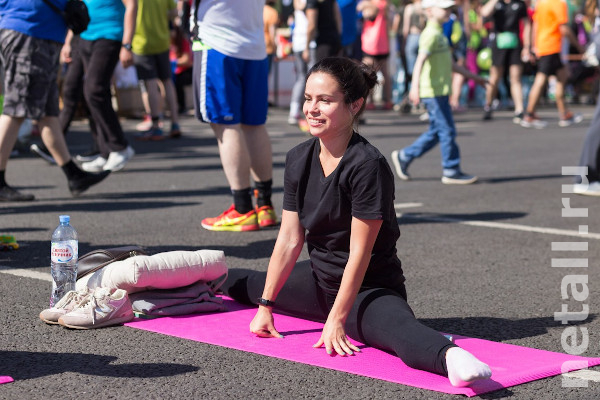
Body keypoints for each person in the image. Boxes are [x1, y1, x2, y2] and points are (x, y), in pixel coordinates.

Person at [221, 57, 492, 387]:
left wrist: (337, 318)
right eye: (308, 98)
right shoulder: (297, 159)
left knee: (398, 333)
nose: (312, 108)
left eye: (325, 100)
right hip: (320, 280)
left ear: (355, 105)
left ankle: (453, 358)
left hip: (369, 287)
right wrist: (266, 305)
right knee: (247, 283)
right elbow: (290, 239)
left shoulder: (368, 166)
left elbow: (359, 254)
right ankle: (191, 277)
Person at [0, 0, 110, 202]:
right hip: (29, 31)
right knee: (16, 110)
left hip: (38, 33)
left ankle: (73, 175)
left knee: (48, 113)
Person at [192, 0, 277, 232]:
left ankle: (242, 209)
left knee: (226, 125)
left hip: (219, 43)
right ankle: (264, 204)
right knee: (254, 125)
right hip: (254, 45)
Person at [391, 0, 486, 185]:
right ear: (429, 11)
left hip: (440, 91)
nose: (447, 11)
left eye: (448, 8)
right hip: (432, 92)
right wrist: (414, 87)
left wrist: (475, 77)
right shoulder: (430, 35)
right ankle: (451, 169)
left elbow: (450, 64)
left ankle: (404, 156)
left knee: (438, 131)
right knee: (447, 130)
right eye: (443, 8)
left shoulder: (440, 34)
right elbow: (419, 62)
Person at [75, 0, 138, 173]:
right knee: (93, 94)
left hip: (110, 34)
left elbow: (132, 5)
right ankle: (105, 151)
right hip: (86, 36)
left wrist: (127, 44)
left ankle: (120, 147)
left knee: (94, 90)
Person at [520, 0, 584, 128]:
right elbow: (564, 28)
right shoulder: (558, 3)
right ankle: (529, 114)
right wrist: (579, 47)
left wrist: (534, 45)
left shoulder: (542, 3)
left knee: (562, 77)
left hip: (545, 45)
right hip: (552, 46)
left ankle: (565, 113)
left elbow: (535, 25)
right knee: (541, 78)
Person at [132, 0, 181, 140]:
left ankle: (156, 126)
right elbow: (174, 12)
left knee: (150, 84)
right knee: (167, 81)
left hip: (141, 42)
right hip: (162, 41)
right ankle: (175, 123)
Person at [481, 0, 531, 123]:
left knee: (515, 78)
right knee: (495, 77)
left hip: (514, 43)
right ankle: (488, 105)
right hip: (498, 42)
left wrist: (527, 46)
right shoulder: (496, 3)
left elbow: (527, 24)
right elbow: (484, 13)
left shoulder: (519, 4)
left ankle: (519, 109)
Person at [357, 0, 393, 110]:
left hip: (370, 44)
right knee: (385, 73)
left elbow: (362, 10)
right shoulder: (385, 5)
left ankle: (370, 101)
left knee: (369, 73)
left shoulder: (370, 4)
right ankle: (388, 100)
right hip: (383, 43)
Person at [288, 0, 311, 132]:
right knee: (304, 78)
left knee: (303, 78)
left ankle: (296, 111)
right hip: (304, 42)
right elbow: (300, 6)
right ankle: (295, 111)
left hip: (302, 42)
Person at [304, 0, 343, 67]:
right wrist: (338, 37)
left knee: (323, 72)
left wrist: (306, 47)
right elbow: (338, 18)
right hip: (335, 40)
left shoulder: (312, 1)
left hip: (323, 43)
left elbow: (312, 26)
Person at [169, 25, 193, 115]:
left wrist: (172, 63)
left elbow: (186, 60)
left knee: (178, 81)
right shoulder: (166, 43)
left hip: (185, 71)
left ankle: (181, 107)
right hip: (172, 72)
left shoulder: (183, 42)